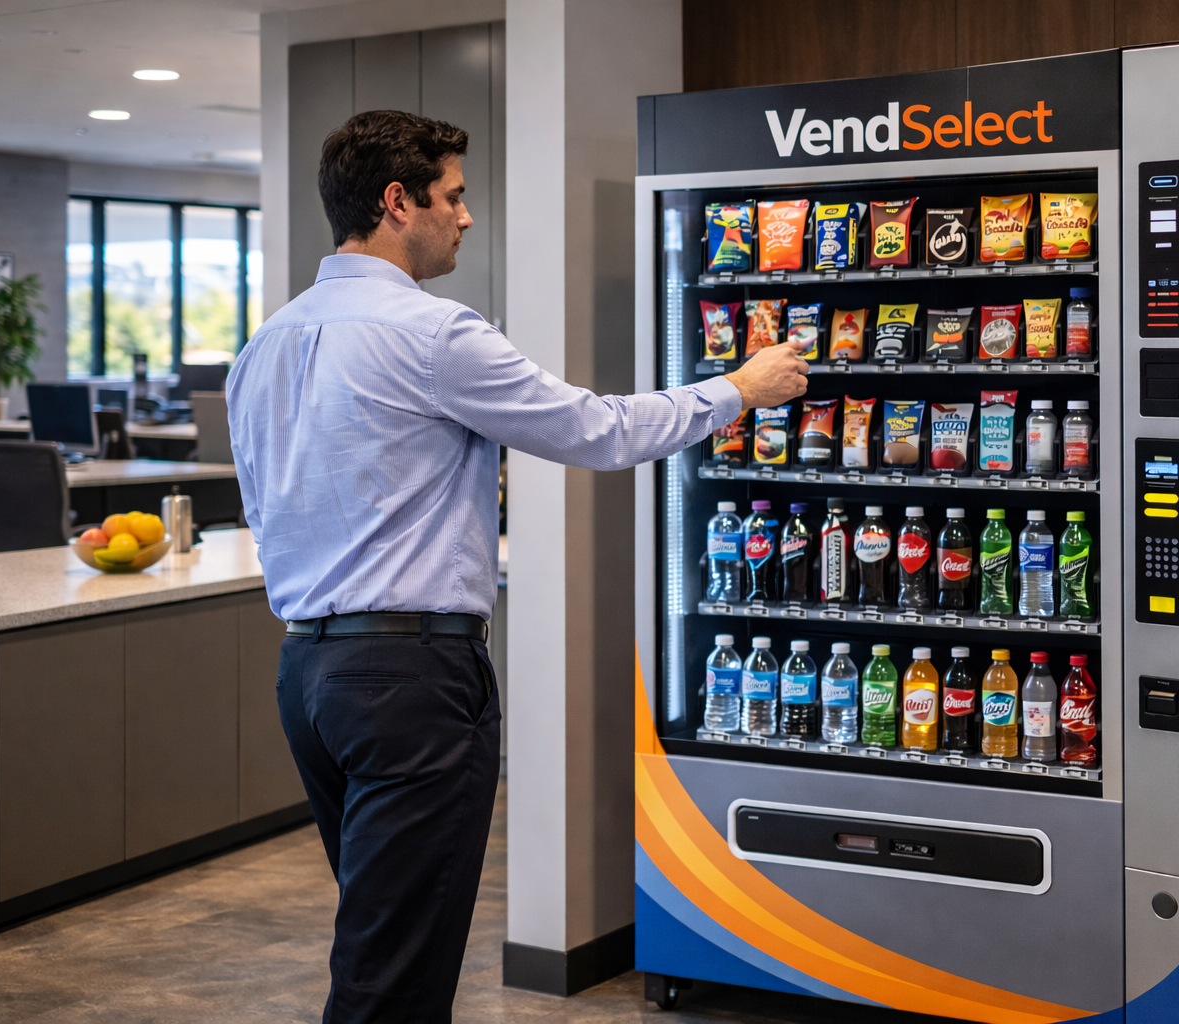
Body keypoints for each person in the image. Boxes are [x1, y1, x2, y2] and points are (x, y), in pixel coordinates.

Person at [226, 110, 806, 1023]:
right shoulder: (433, 335)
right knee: (394, 973)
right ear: (395, 202)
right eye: (452, 197)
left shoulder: (263, 347)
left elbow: (266, 510)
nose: (464, 217)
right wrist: (740, 388)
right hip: (412, 680)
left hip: (309, 675)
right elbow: (599, 431)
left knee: (381, 932)